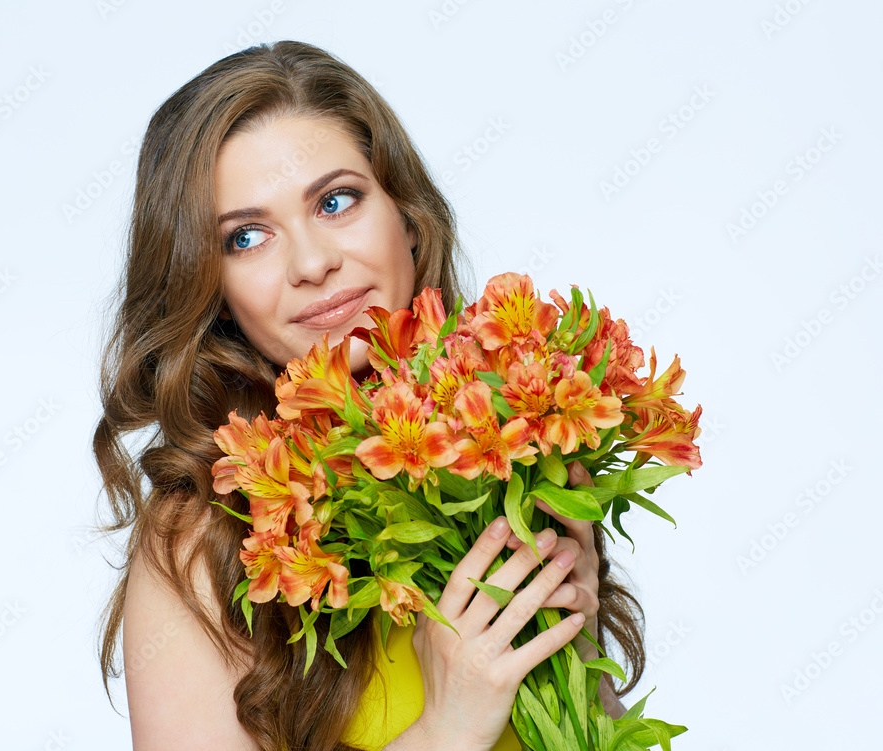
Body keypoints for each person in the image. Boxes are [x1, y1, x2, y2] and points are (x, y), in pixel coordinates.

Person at [94, 40, 646, 751]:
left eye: (335, 201)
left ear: (407, 216)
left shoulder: (511, 450)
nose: (313, 262)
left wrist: (576, 644)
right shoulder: (202, 537)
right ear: (212, 288)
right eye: (248, 237)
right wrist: (448, 727)